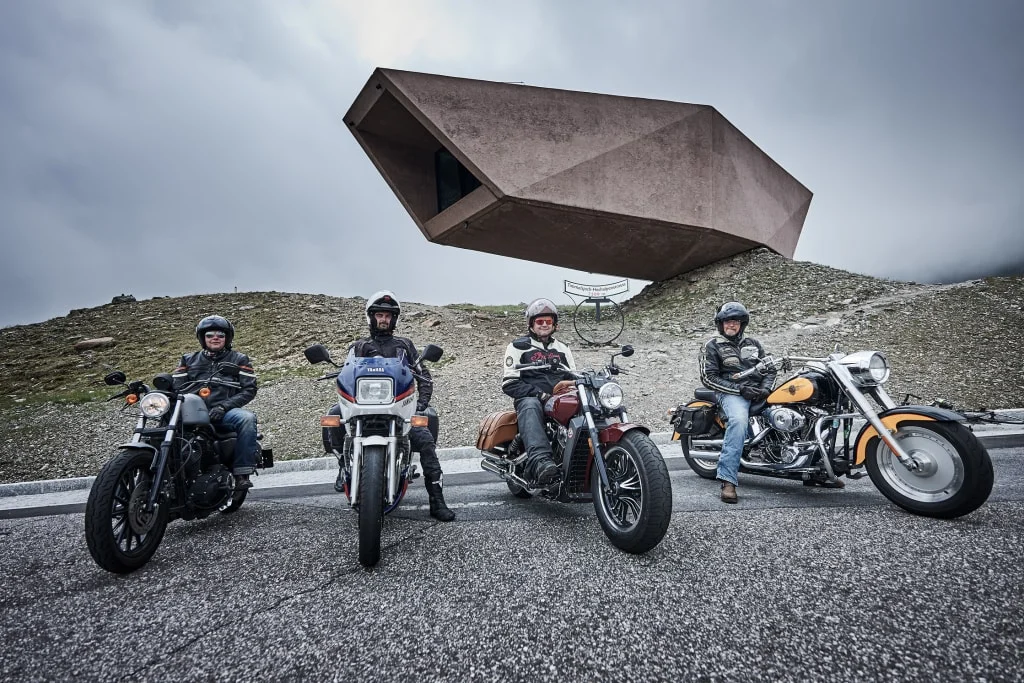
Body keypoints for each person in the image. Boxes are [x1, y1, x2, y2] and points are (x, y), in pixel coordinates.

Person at [344, 290, 455, 522]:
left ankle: (437, 500)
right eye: (379, 315)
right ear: (371, 317)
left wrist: (421, 403)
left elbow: (424, 374)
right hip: (364, 411)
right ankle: (343, 468)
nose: (383, 319)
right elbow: (346, 374)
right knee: (336, 420)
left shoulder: (405, 345)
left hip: (399, 412)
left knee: (424, 439)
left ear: (393, 319)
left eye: (387, 316)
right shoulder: (359, 347)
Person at [698, 301, 776, 504]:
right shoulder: (712, 345)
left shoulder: (753, 344)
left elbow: (769, 369)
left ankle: (815, 471)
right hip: (732, 394)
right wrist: (740, 389)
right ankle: (727, 480)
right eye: (727, 322)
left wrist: (766, 389)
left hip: (758, 392)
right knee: (739, 421)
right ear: (720, 324)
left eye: (735, 321)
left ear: (742, 324)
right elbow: (709, 378)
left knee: (788, 413)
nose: (731, 325)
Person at [172, 315, 260, 490]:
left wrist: (224, 406)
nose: (215, 338)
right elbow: (176, 386)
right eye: (210, 335)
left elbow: (249, 389)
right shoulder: (188, 360)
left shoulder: (239, 359)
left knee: (247, 419)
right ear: (202, 338)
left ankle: (242, 473)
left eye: (220, 335)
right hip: (191, 412)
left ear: (227, 338)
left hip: (224, 412)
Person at [501, 298, 577, 486]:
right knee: (530, 404)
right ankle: (541, 462)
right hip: (532, 398)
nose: (544, 325)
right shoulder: (518, 346)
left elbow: (574, 377)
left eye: (548, 321)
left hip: (560, 398)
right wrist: (540, 395)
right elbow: (510, 383)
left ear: (554, 324)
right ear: (531, 324)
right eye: (539, 321)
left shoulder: (563, 348)